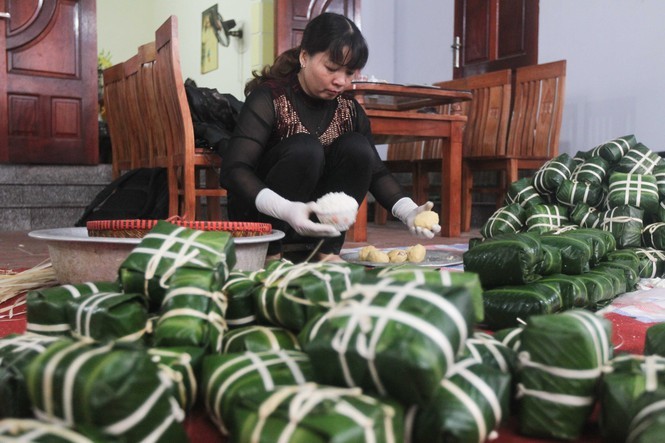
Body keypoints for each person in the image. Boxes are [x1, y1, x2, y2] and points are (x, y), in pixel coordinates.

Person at [219, 12, 440, 260]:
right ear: (305, 57)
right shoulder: (269, 98)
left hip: (314, 224)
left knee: (357, 147)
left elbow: (376, 173)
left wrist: (409, 211)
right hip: (262, 222)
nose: (340, 81)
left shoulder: (349, 110)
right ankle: (271, 254)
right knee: (305, 149)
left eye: (349, 72)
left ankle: (326, 251)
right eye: (331, 68)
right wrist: (286, 209)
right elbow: (234, 170)